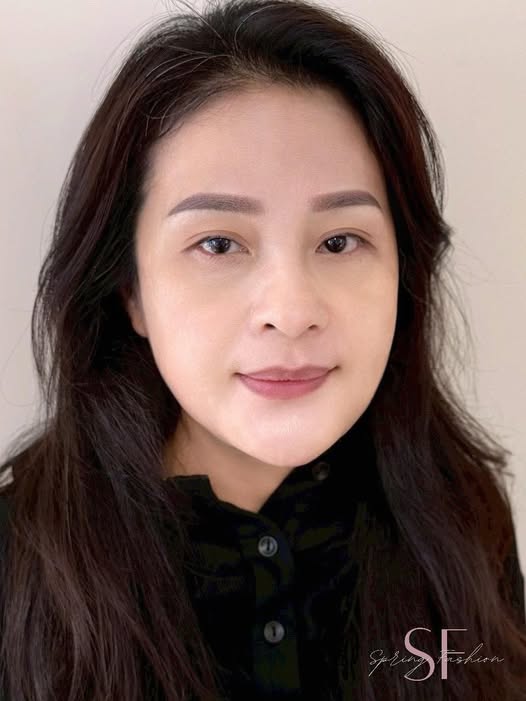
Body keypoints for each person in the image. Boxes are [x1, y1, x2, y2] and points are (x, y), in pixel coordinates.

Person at [0, 0, 525, 698]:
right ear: (130, 290)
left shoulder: (462, 520)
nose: (291, 311)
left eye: (340, 241)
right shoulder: (17, 562)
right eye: (218, 243)